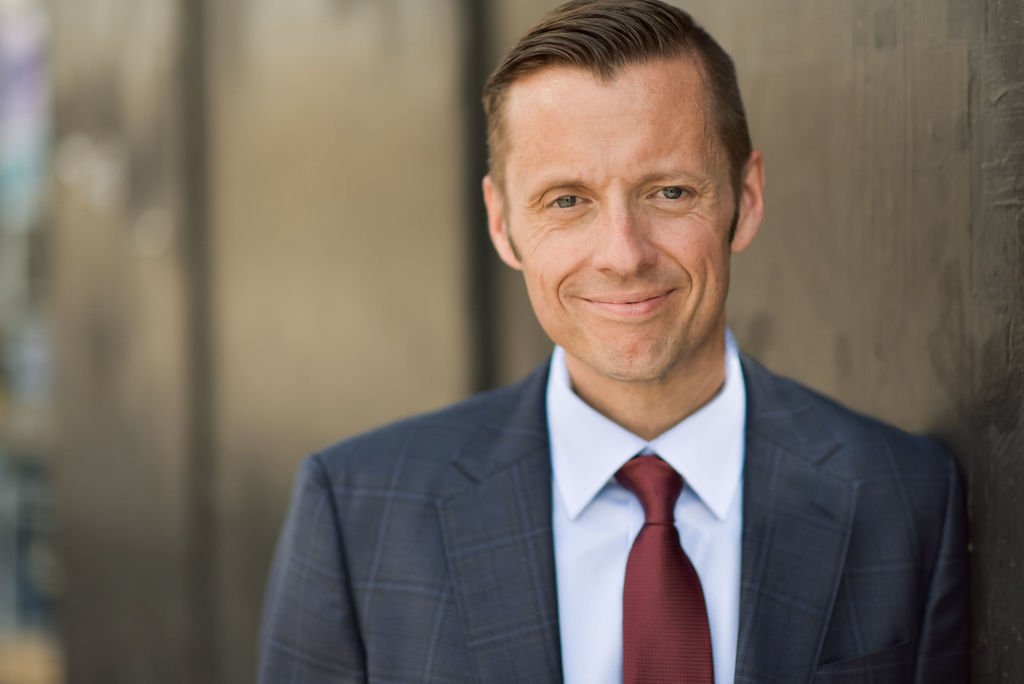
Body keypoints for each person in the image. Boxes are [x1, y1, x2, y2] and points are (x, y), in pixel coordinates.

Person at [257, 1, 969, 682]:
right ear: (503, 224)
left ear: (745, 201)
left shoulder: (902, 498)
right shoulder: (357, 512)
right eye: (567, 200)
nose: (623, 255)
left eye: (670, 192)